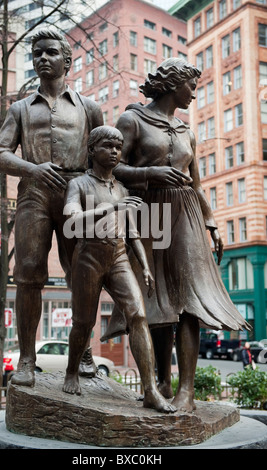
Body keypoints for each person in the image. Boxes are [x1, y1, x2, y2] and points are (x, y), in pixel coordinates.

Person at [101, 58, 251, 412]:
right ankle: (162, 381)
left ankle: (187, 390)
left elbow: (196, 183)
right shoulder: (132, 119)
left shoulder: (186, 131)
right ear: (173, 84)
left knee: (188, 300)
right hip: (149, 211)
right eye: (191, 87)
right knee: (156, 300)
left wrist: (211, 222)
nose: (194, 95)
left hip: (186, 215)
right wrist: (151, 172)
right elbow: (112, 167)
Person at [0, 29, 103, 387]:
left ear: (67, 61)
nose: (42, 58)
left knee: (83, 274)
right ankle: (26, 359)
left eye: (50, 52)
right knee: (28, 273)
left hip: (79, 194)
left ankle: (83, 352)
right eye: (37, 53)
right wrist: (31, 168)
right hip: (34, 193)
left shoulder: (89, 107)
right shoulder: (20, 109)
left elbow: (103, 155)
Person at [62, 125, 176, 413]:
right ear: (91, 151)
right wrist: (113, 208)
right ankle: (71, 371)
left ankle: (150, 389)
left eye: (118, 147)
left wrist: (146, 267)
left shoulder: (122, 189)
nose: (115, 152)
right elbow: (71, 217)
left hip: (119, 256)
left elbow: (132, 231)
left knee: (138, 315)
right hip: (88, 255)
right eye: (107, 146)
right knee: (83, 323)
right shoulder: (79, 184)